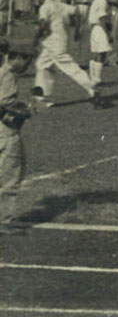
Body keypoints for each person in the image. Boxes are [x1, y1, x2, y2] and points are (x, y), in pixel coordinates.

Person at [31, 0, 105, 108]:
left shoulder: (45, 7)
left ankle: (93, 87)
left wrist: (36, 37)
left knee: (71, 69)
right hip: (56, 43)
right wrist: (76, 27)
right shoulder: (59, 5)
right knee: (41, 65)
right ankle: (43, 97)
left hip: (53, 44)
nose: (36, 1)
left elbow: (43, 24)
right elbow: (76, 11)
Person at [0, 38, 34, 234]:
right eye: (26, 60)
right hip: (6, 132)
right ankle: (4, 222)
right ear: (16, 58)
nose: (27, 65)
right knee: (10, 176)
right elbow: (4, 102)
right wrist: (24, 110)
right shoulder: (8, 75)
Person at [87, 0, 113, 87]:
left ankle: (93, 77)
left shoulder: (97, 0)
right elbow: (102, 18)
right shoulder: (103, 1)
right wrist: (108, 33)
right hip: (99, 28)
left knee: (97, 53)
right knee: (102, 53)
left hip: (94, 29)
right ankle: (96, 78)